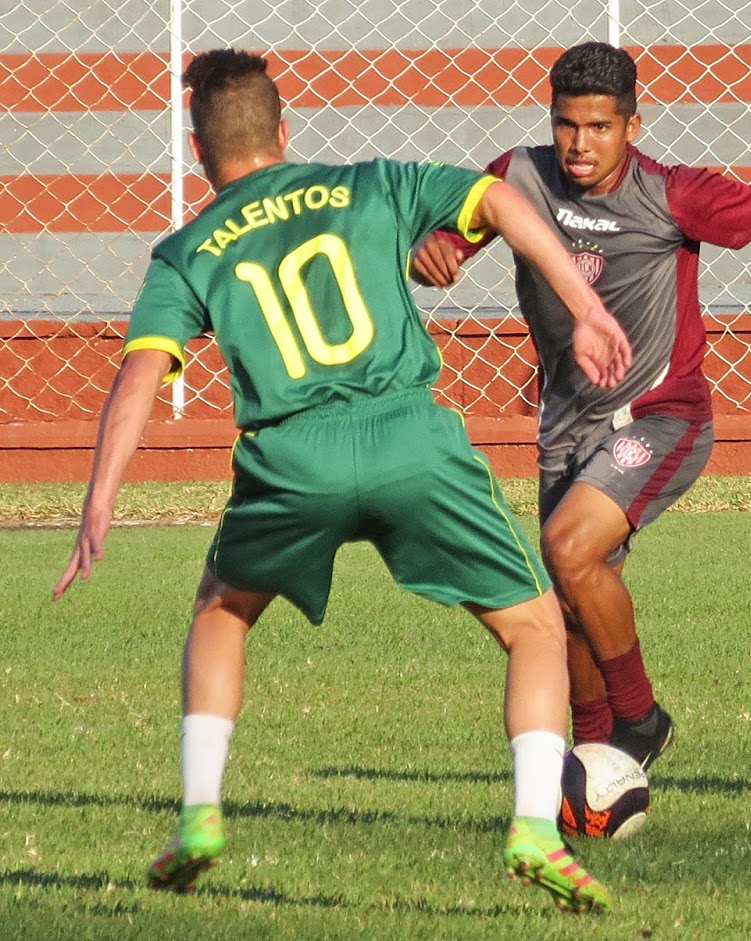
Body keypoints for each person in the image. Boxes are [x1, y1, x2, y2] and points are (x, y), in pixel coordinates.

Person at [51, 49, 632, 912]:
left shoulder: (186, 249)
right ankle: (534, 829)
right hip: (410, 440)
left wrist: (99, 497)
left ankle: (202, 814)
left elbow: (140, 376)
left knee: (222, 609)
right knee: (535, 628)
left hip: (291, 457)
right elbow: (503, 200)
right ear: (285, 131)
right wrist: (587, 309)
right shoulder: (374, 183)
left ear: (200, 150)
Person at [411, 41, 751, 770]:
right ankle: (597, 765)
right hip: (568, 422)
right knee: (572, 600)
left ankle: (641, 718)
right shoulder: (518, 176)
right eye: (566, 125)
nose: (580, 145)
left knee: (568, 548)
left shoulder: (672, 193)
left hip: (662, 414)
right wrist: (432, 252)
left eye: (599, 127)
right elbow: (445, 242)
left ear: (632, 125)